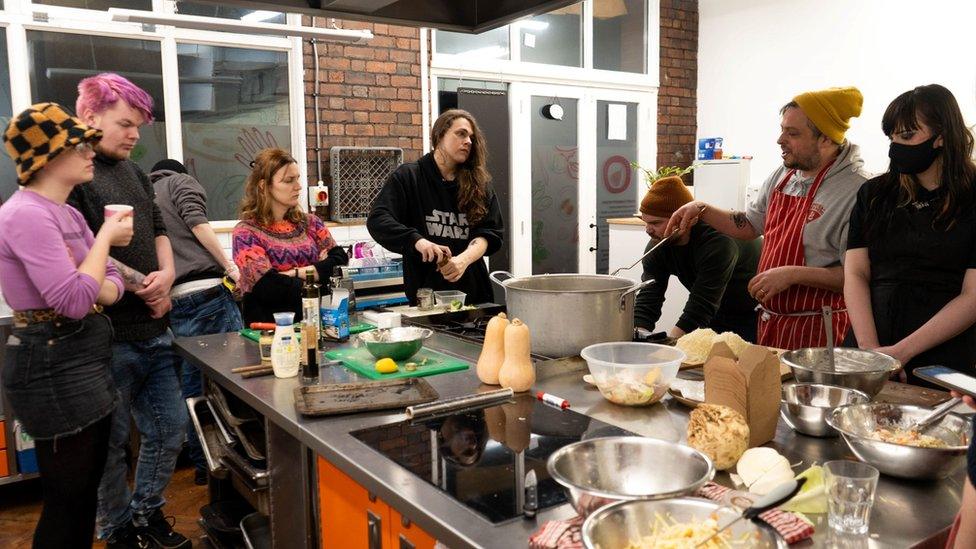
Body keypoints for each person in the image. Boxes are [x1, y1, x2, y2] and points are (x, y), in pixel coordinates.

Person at [67, 73, 191, 549]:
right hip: (107, 339)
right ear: (89, 116)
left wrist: (167, 276)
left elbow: (159, 228)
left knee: (170, 429)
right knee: (110, 445)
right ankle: (117, 531)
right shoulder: (76, 173)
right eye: (125, 123)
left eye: (138, 125)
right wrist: (146, 287)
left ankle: (146, 517)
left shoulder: (137, 173)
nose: (135, 134)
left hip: (155, 330)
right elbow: (83, 248)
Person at [0, 103, 130, 548]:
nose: (91, 151)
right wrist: (104, 240)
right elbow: (75, 300)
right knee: (67, 498)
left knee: (84, 492)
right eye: (79, 144)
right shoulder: (25, 215)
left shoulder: (69, 214)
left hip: (79, 355)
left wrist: (96, 267)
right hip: (51, 360)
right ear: (48, 156)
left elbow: (109, 283)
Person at [666, 87, 870, 349]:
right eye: (782, 129)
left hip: (821, 331)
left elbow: (858, 276)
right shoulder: (784, 176)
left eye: (792, 133)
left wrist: (793, 274)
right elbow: (751, 224)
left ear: (827, 139)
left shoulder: (857, 191)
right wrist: (701, 209)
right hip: (772, 324)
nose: (780, 140)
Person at [845, 84, 976, 385]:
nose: (895, 147)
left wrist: (900, 353)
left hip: (941, 361)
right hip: (869, 349)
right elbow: (856, 273)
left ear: (942, 135)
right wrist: (870, 353)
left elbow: (972, 297)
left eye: (906, 136)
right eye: (891, 137)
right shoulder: (875, 195)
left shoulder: (972, 199)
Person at [150, 158, 243, 485]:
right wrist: (230, 266)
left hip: (173, 301)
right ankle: (235, 467)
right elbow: (198, 224)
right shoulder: (180, 183)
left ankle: (205, 467)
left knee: (192, 388)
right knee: (232, 383)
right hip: (208, 296)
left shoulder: (145, 195)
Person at [367, 109, 504, 306]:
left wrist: (463, 260)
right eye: (461, 133)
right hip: (426, 299)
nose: (469, 141)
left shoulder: (479, 184)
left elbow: (490, 233)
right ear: (439, 136)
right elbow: (379, 219)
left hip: (475, 297)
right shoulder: (409, 177)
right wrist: (418, 241)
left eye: (471, 137)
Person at [633, 176, 760, 341]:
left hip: (755, 310)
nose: (648, 230)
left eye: (656, 223)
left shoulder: (718, 242)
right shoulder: (658, 245)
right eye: (645, 222)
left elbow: (702, 305)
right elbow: (649, 296)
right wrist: (637, 335)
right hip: (715, 311)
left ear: (687, 220)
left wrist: (672, 346)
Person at [233, 147, 348, 325]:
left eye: (298, 179)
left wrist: (294, 273)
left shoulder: (310, 223)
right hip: (270, 329)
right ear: (264, 186)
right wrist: (319, 275)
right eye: (289, 181)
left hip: (316, 323)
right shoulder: (246, 233)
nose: (298, 186)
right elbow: (267, 287)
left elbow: (339, 260)